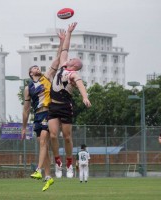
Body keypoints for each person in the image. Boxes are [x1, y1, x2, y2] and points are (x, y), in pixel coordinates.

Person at [22, 29, 66, 192]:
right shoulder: (28, 88)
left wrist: (61, 42)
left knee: (43, 142)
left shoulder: (47, 77)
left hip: (49, 112)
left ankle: (39, 170)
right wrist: (24, 127)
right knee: (44, 147)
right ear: (30, 73)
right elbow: (26, 110)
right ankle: (48, 176)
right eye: (34, 67)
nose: (37, 67)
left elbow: (57, 59)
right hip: (38, 116)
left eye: (37, 66)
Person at [48, 22, 91, 179]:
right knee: (53, 136)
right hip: (53, 106)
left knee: (66, 137)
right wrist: (69, 33)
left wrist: (85, 97)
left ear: (74, 66)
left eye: (72, 59)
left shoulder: (72, 74)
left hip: (66, 107)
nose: (69, 57)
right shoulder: (62, 65)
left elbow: (80, 84)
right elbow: (65, 49)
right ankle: (58, 163)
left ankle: (69, 163)